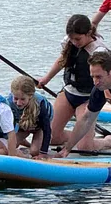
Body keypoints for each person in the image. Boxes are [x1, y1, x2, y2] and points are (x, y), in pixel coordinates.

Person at [37, 14, 106, 153]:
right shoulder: (70, 42)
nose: (74, 42)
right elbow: (63, 59)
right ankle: (78, 136)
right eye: (72, 38)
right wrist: (46, 78)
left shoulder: (98, 51)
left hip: (87, 98)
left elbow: (104, 79)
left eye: (78, 39)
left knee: (85, 148)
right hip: (69, 93)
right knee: (51, 138)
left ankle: (107, 141)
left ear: (88, 33)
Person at [8, 75, 54, 158]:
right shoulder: (8, 102)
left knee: (34, 151)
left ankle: (31, 143)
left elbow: (47, 129)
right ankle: (23, 141)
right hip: (23, 124)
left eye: (22, 99)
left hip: (39, 127)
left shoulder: (40, 104)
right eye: (16, 98)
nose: (18, 103)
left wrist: (43, 153)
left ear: (30, 96)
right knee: (10, 146)